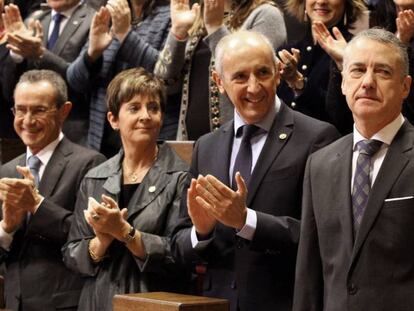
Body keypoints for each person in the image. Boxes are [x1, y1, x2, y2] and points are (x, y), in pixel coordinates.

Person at [171, 31, 339, 311]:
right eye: (240, 77)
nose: (253, 87)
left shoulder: (317, 138)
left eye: (262, 73)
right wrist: (201, 232)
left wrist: (246, 220)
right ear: (219, 82)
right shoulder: (206, 147)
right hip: (215, 303)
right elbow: (178, 245)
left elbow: (323, 236)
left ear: (277, 73)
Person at [293, 28, 414, 311]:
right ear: (343, 82)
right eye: (358, 70)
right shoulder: (319, 163)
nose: (368, 82)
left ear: (405, 86)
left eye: (383, 72)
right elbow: (309, 273)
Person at [62, 68, 191, 311]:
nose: (146, 116)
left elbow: (180, 254)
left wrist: (125, 233)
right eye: (134, 108)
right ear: (113, 119)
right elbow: (71, 253)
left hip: (154, 303)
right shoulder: (95, 177)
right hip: (97, 302)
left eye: (153, 108)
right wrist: (100, 241)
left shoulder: (181, 176)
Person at [0, 69, 105, 311]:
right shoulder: (6, 171)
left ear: (64, 111)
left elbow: (91, 239)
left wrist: (37, 205)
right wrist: (7, 228)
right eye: (20, 110)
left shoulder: (90, 163)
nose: (27, 120)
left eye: (38, 110)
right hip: (13, 302)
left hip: (64, 303)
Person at [154, 0, 286, 140]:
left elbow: (249, 77)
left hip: (243, 142)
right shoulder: (198, 17)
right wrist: (178, 32)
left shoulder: (266, 14)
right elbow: (165, 85)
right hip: (189, 145)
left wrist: (215, 27)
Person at [67, 0, 170, 157]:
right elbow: (75, 81)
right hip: (101, 141)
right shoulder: (109, 15)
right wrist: (92, 54)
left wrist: (125, 35)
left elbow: (167, 74)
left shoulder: (171, 15)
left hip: (149, 137)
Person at [1, 0, 95, 145]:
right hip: (30, 134)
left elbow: (83, 82)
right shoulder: (34, 20)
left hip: (74, 135)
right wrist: (17, 53)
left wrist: (40, 54)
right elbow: (9, 91)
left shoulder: (94, 20)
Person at [276, 0, 366, 133]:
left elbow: (344, 118)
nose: (321, 1)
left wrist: (298, 82)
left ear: (347, 4)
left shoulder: (358, 50)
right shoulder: (286, 51)